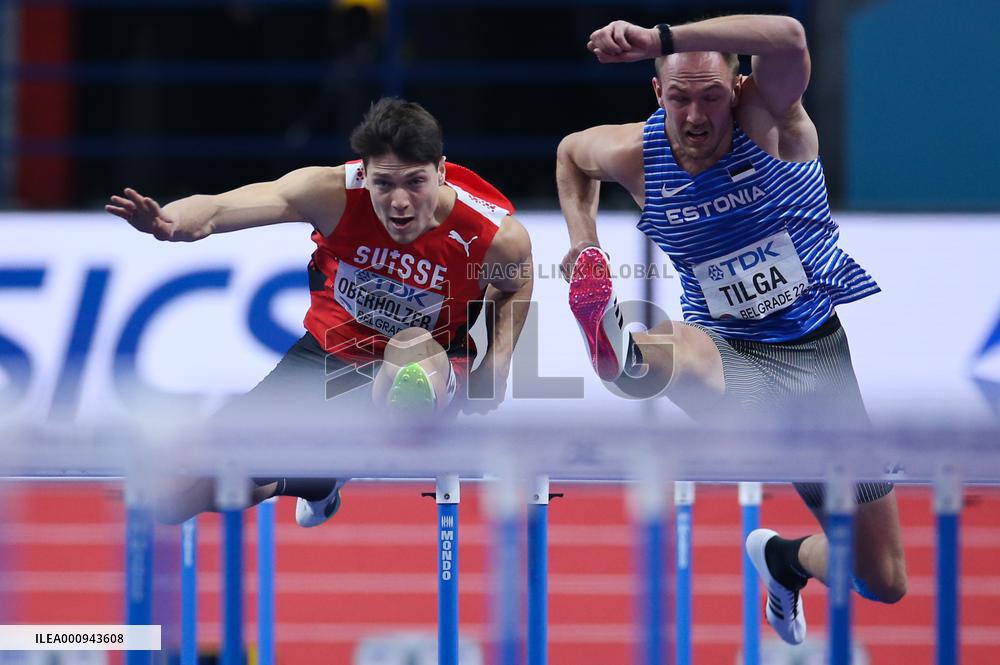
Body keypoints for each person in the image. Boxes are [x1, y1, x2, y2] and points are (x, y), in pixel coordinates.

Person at [556, 15, 906, 645]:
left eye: (711, 97)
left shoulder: (772, 119)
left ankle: (784, 560)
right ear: (657, 94)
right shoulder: (636, 154)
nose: (695, 117)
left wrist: (659, 40)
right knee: (683, 352)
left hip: (819, 358)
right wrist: (586, 244)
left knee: (882, 577)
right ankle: (622, 352)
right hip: (728, 354)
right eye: (679, 98)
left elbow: (791, 35)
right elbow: (570, 155)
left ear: (739, 87)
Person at [106, 97, 533, 527]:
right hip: (327, 357)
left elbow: (517, 283)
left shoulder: (490, 235)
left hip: (427, 366)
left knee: (411, 348)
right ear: (364, 173)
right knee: (176, 494)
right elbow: (218, 209)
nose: (400, 202)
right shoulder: (330, 194)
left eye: (415, 183)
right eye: (384, 184)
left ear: (440, 171)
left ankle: (355, 443)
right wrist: (172, 222)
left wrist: (497, 360)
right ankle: (310, 481)